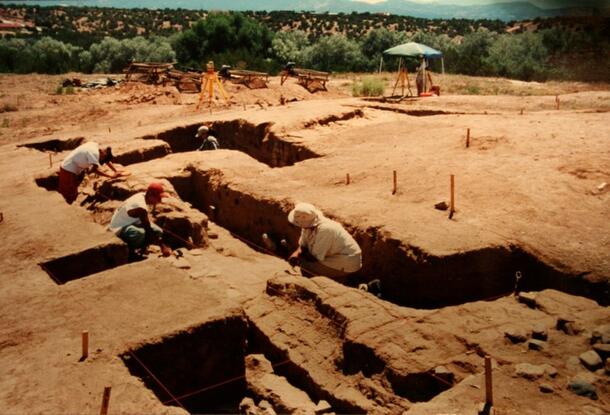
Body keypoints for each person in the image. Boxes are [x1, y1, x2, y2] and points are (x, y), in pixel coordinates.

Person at [287, 202, 362, 280]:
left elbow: (314, 258)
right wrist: (296, 254)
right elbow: (303, 245)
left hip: (347, 261)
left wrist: (300, 258)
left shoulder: (325, 230)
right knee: (303, 263)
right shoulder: (307, 226)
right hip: (333, 256)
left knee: (306, 268)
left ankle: (337, 279)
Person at [108, 182, 172, 259]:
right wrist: (163, 246)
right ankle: (130, 253)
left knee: (159, 231)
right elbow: (148, 230)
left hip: (132, 221)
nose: (160, 201)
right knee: (140, 234)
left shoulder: (143, 195)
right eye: (158, 198)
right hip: (119, 226)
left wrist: (160, 243)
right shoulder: (141, 207)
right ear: (151, 195)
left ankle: (141, 247)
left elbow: (150, 228)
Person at [58, 141, 123, 204]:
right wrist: (110, 176)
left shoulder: (95, 145)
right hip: (68, 169)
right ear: (102, 154)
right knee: (69, 192)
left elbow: (106, 160)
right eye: (102, 160)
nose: (101, 161)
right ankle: (70, 207)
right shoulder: (95, 154)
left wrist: (116, 171)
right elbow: (95, 170)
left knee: (73, 187)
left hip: (72, 167)